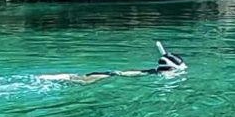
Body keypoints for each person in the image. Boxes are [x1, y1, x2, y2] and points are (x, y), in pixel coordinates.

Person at [36, 40, 187, 86]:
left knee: (79, 79)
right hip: (109, 76)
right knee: (80, 81)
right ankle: (55, 78)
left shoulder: (154, 72)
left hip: (110, 74)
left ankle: (58, 77)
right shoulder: (162, 75)